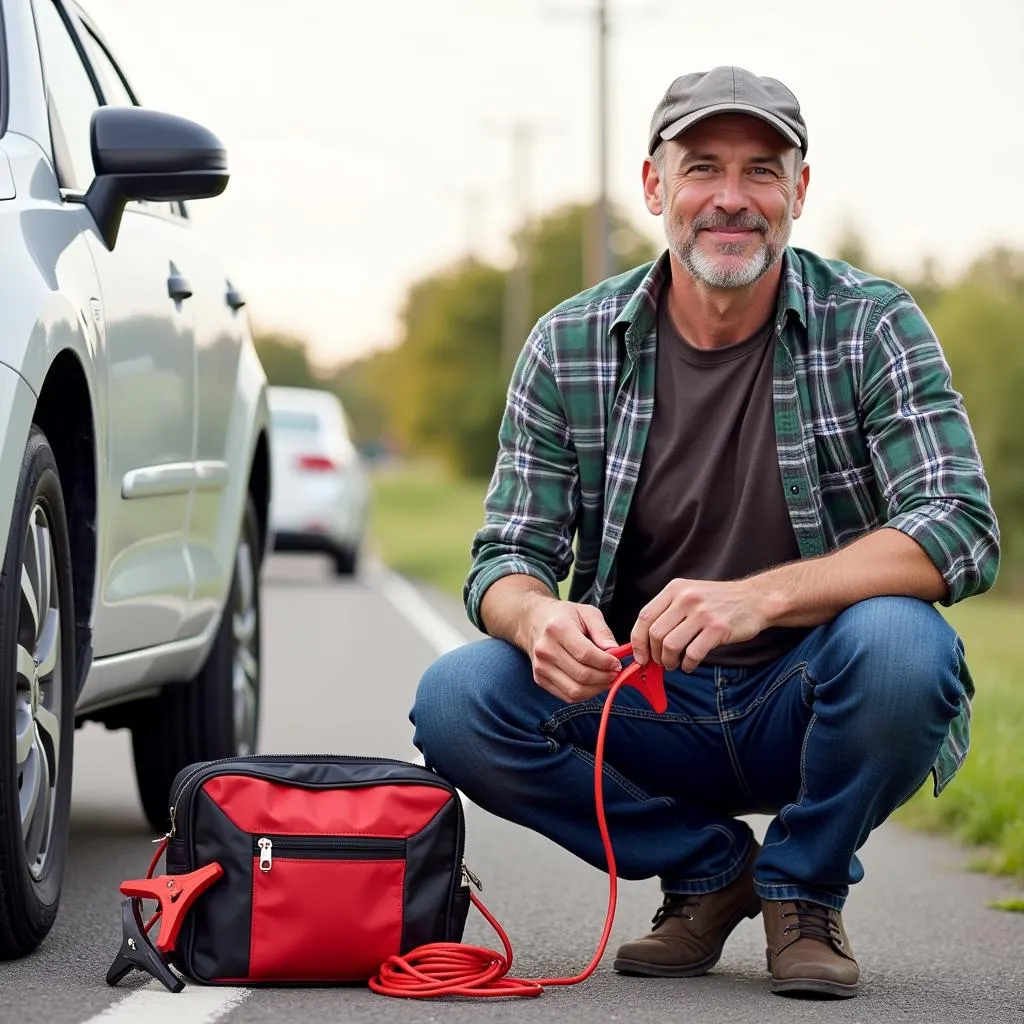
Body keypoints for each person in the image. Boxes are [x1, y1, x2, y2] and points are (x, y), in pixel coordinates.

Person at [409, 65, 999, 1000]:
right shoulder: (569, 343)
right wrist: (533, 621)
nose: (732, 198)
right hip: (642, 698)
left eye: (763, 170)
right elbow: (507, 557)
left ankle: (801, 890)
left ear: (799, 191)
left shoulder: (874, 324)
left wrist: (762, 596)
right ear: (655, 186)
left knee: (904, 647)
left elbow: (959, 526)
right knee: (457, 698)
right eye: (702, 168)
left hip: (808, 696)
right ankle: (707, 872)